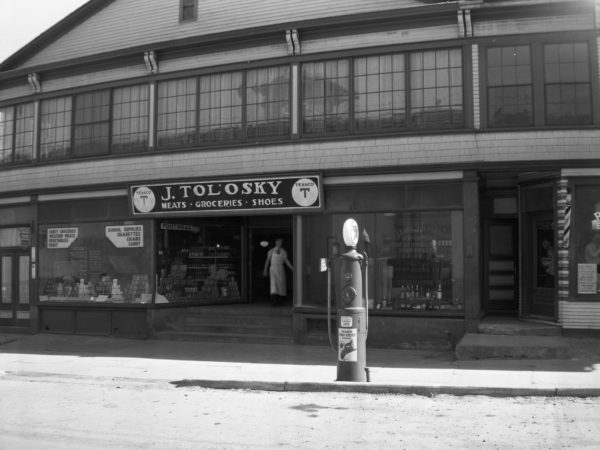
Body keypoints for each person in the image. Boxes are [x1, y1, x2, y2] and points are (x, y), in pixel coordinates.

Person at [263, 238, 293, 306]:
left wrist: (292, 268)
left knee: (281, 284)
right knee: (274, 284)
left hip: (280, 268)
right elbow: (267, 261)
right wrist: (265, 270)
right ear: (276, 242)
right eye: (279, 242)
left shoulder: (283, 251)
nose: (280, 243)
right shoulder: (271, 251)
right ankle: (274, 300)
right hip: (273, 268)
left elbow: (286, 260)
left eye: (281, 242)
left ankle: (280, 300)